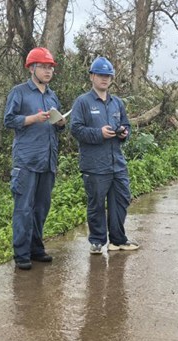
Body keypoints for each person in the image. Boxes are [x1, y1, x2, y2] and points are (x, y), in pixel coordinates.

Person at [3, 47, 66, 270]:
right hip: (27, 160)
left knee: (41, 207)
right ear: (31, 68)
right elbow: (9, 120)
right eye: (43, 67)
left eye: (51, 68)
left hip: (47, 160)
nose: (48, 71)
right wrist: (33, 118)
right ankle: (21, 254)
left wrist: (60, 123)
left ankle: (36, 248)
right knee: (24, 208)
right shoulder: (19, 92)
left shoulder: (52, 95)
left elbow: (56, 125)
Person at [70, 57, 140, 254]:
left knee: (122, 199)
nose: (104, 79)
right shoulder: (82, 102)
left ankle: (117, 240)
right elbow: (75, 129)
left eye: (108, 76)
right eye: (100, 75)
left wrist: (124, 132)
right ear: (92, 76)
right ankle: (97, 241)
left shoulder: (116, 102)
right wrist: (98, 134)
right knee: (96, 203)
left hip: (116, 162)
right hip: (94, 164)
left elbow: (126, 124)